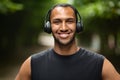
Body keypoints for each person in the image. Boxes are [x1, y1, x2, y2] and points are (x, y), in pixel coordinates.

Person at [15, 3, 120, 80]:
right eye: (57, 22)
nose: (64, 27)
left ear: (78, 26)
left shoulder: (99, 64)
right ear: (48, 26)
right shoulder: (32, 64)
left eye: (69, 21)